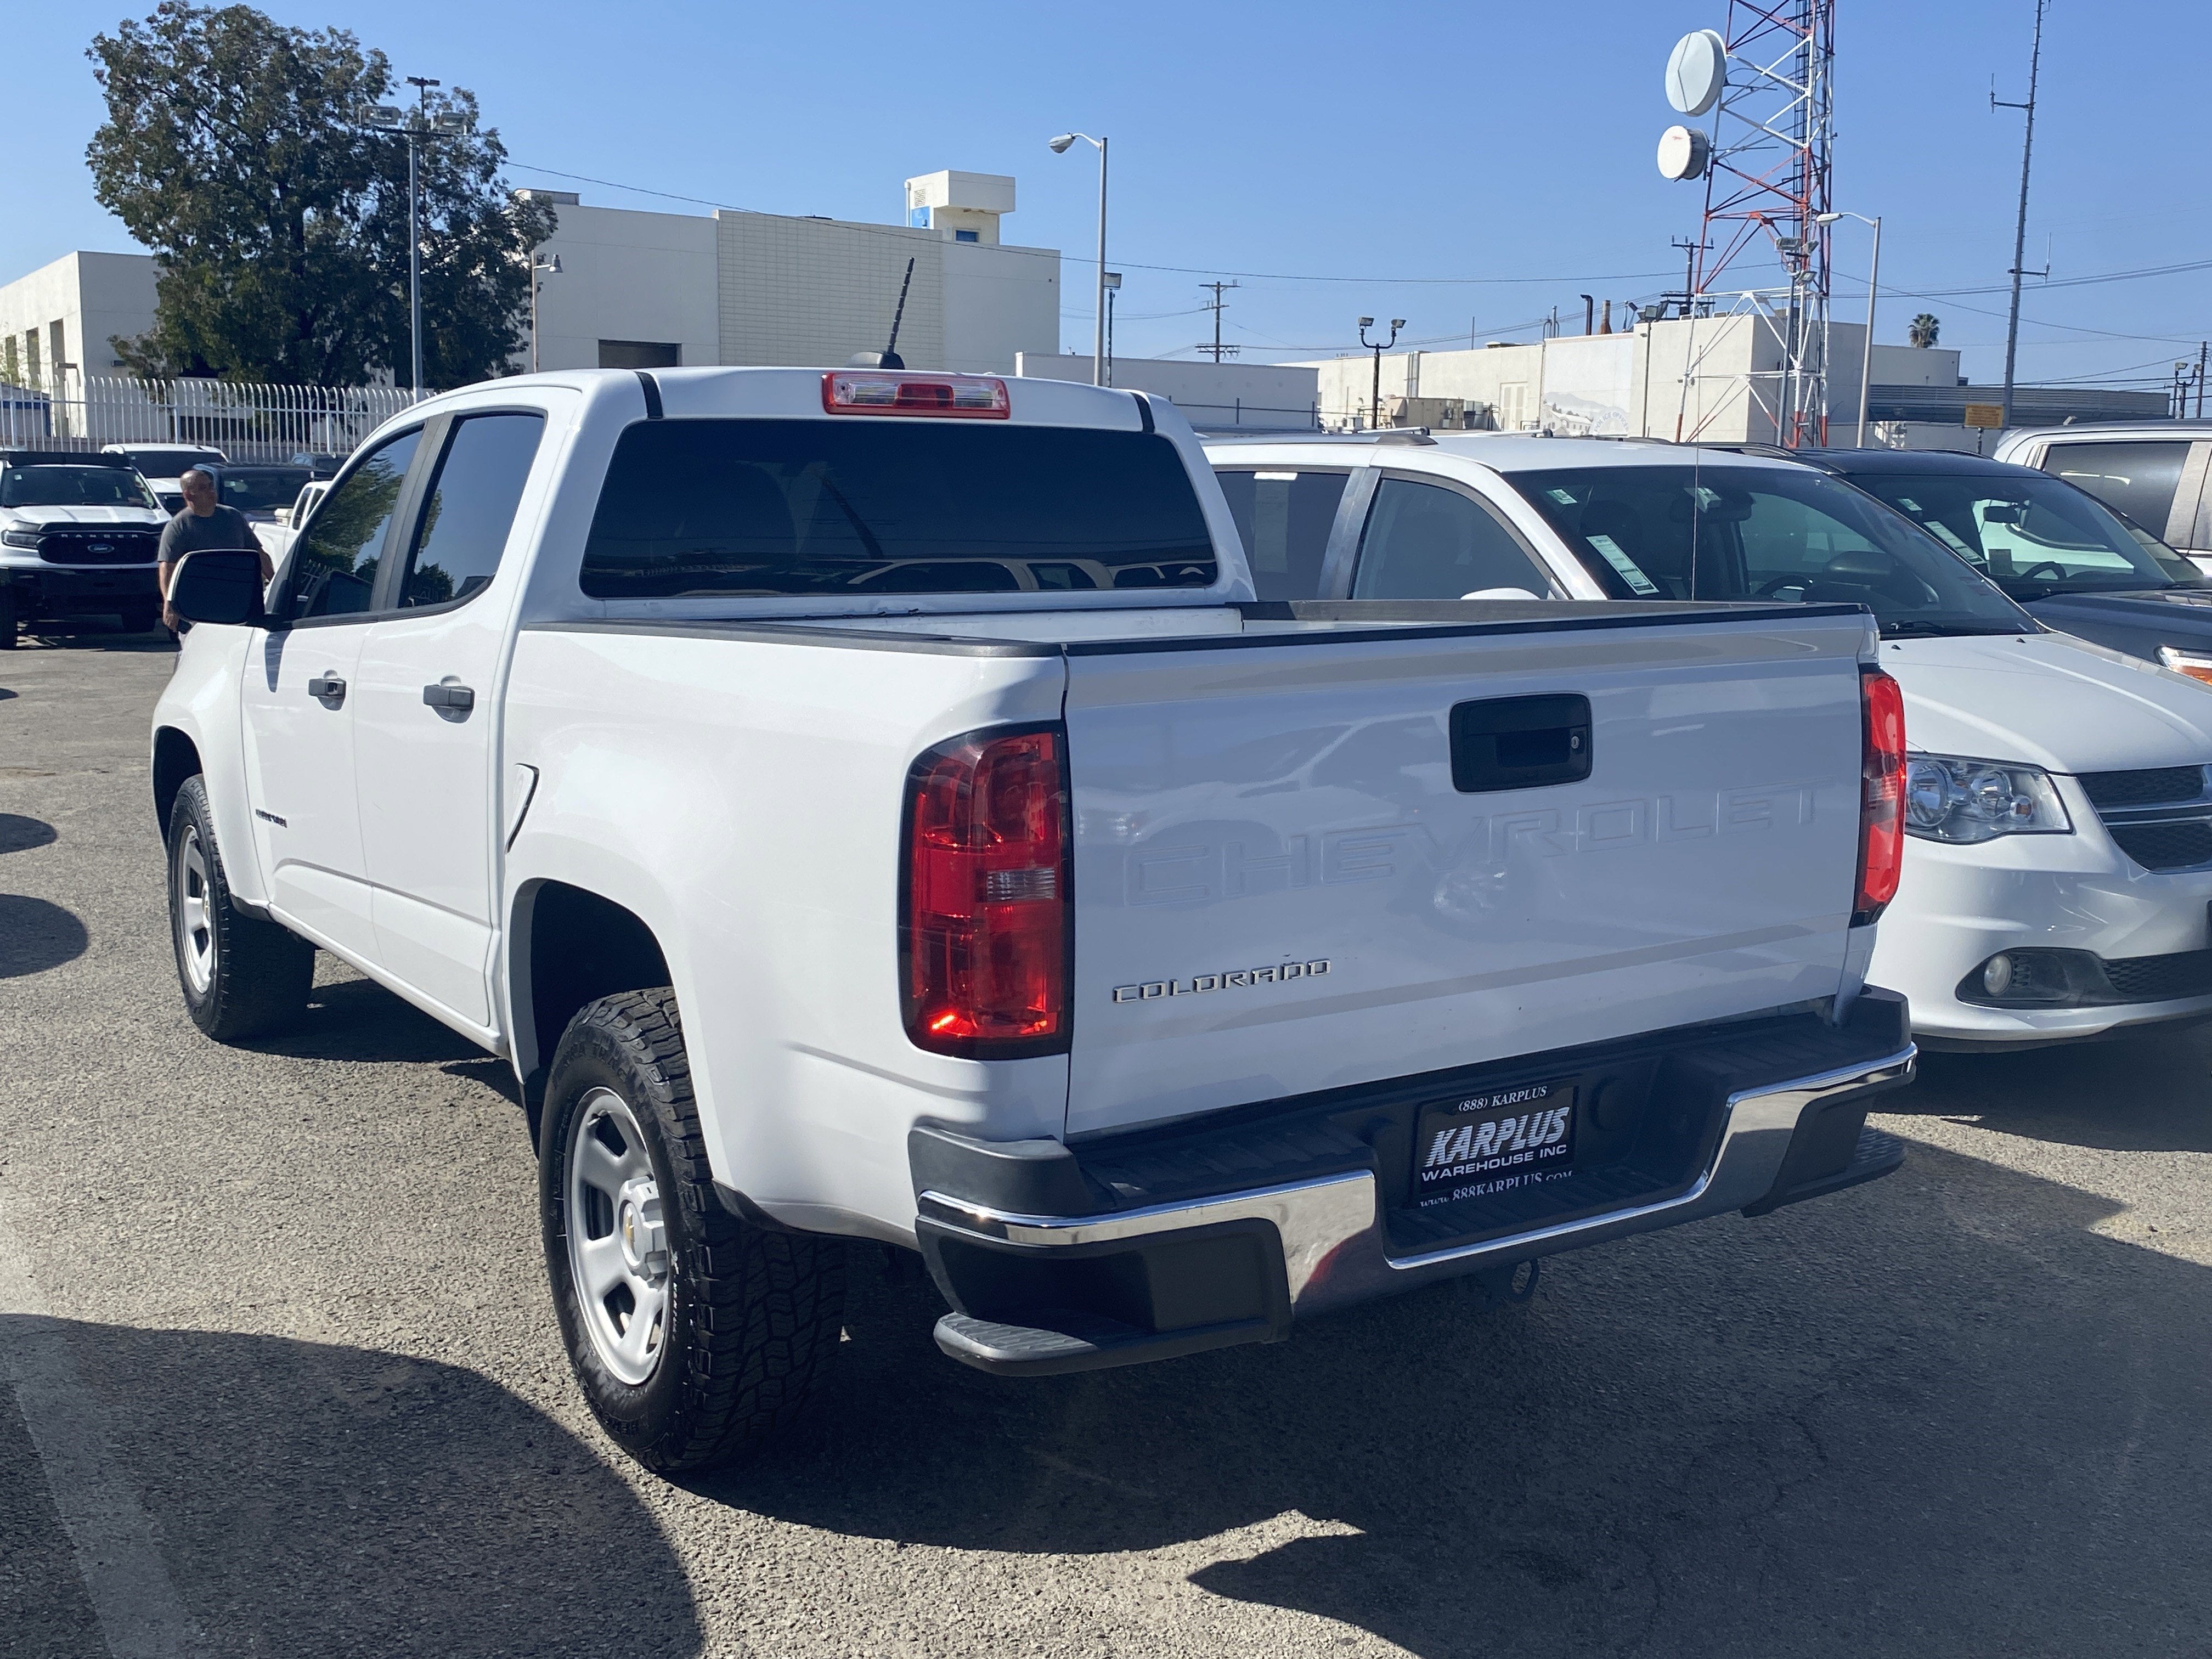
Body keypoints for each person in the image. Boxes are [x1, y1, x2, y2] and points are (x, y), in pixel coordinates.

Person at [158, 466, 272, 631]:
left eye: (211, 486)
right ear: (189, 495)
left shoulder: (233, 517)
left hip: (239, 599)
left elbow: (258, 553)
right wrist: (170, 605)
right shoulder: (179, 526)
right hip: (199, 604)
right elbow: (167, 567)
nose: (211, 491)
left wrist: (275, 582)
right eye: (203, 488)